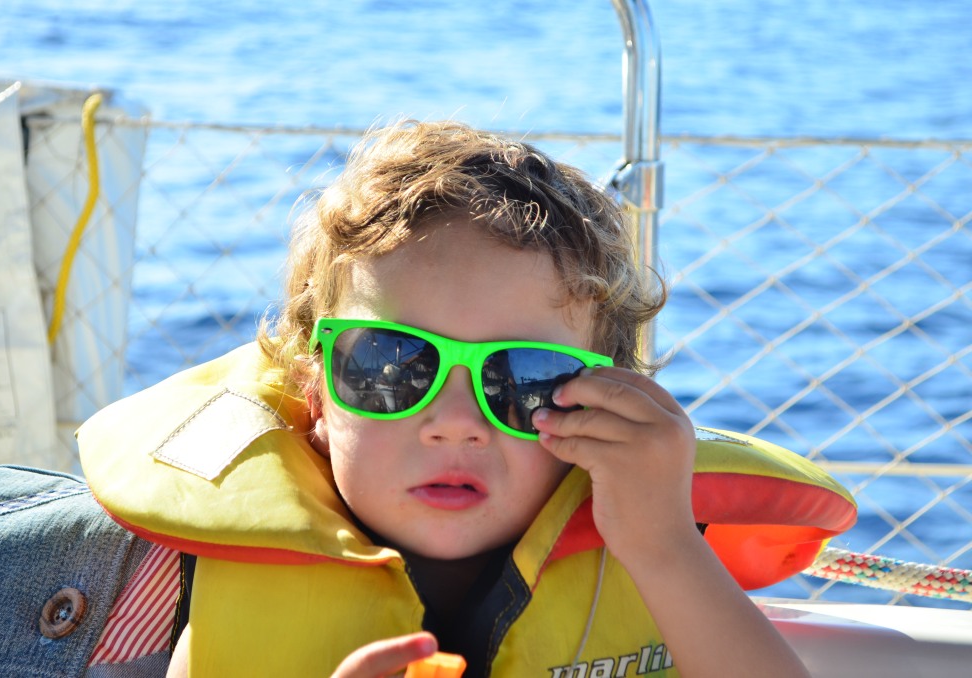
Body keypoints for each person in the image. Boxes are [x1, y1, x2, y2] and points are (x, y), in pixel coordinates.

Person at [77, 120, 814, 677]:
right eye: (390, 365)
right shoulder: (180, 586)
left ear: (604, 405)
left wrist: (665, 546)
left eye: (525, 379)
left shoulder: (663, 560)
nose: (456, 425)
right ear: (315, 393)